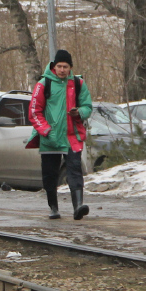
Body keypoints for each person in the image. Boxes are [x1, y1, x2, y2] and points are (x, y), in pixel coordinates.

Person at [29, 49, 93, 220]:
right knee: (50, 173)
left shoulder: (78, 84)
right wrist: (46, 130)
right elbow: (35, 111)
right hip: (50, 137)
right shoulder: (44, 84)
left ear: (70, 67)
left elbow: (88, 106)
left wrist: (79, 112)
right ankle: (53, 208)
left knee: (74, 170)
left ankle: (78, 207)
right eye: (59, 66)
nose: (62, 70)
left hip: (72, 136)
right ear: (54, 67)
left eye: (65, 66)